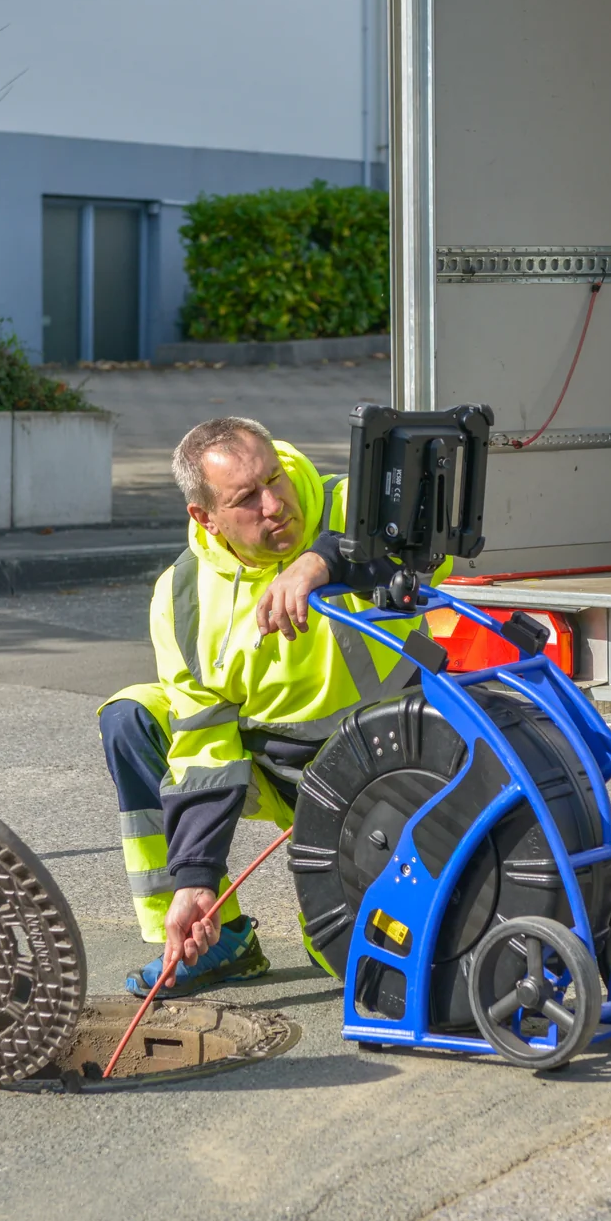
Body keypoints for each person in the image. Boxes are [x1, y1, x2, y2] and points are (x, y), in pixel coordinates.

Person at [99, 415, 442, 995]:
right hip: (276, 773)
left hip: (388, 766)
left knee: (351, 964)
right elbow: (204, 742)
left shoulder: (349, 508)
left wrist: (328, 559)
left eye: (275, 479)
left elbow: (435, 553)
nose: (275, 504)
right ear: (204, 517)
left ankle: (342, 895)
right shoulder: (182, 598)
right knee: (132, 716)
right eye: (247, 499)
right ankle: (216, 942)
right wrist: (197, 876)